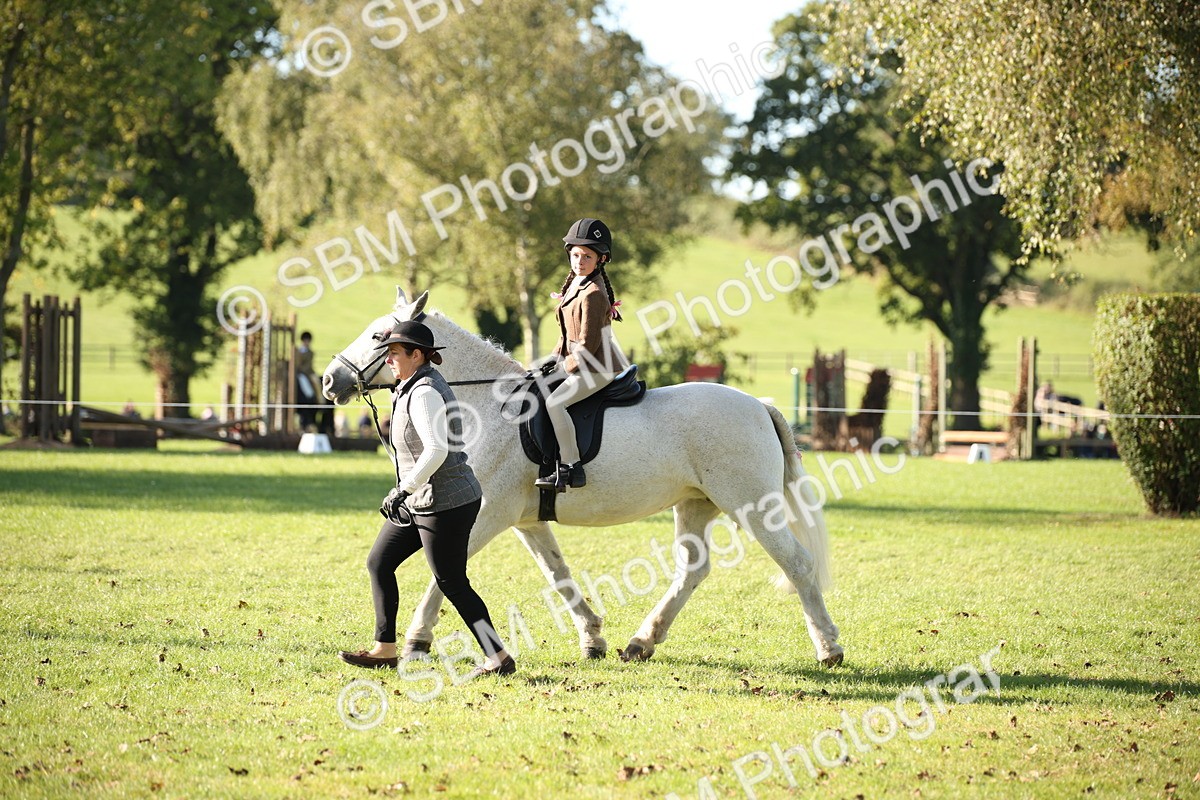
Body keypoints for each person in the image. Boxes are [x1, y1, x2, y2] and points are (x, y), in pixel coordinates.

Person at [339, 320, 514, 679]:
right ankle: (385, 649)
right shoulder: (408, 386)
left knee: (451, 581)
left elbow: (436, 450)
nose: (388, 360)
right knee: (380, 562)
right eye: (387, 353)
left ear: (416, 355)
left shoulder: (424, 392)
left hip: (446, 501)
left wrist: (403, 488)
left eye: (394, 353)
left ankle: (498, 657)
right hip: (420, 498)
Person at [535, 218, 630, 492]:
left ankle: (571, 467)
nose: (580, 261)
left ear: (601, 259)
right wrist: (549, 362)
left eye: (587, 256)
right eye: (575, 255)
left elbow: (587, 345)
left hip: (598, 366)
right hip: (581, 360)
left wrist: (562, 366)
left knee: (555, 403)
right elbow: (566, 337)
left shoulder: (593, 294)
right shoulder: (576, 284)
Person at [296, 331, 320, 432]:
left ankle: (319, 399)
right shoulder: (298, 351)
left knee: (317, 382)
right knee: (303, 382)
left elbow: (309, 366)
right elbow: (299, 365)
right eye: (305, 340)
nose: (307, 342)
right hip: (301, 374)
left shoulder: (310, 352)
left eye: (308, 340)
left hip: (308, 373)